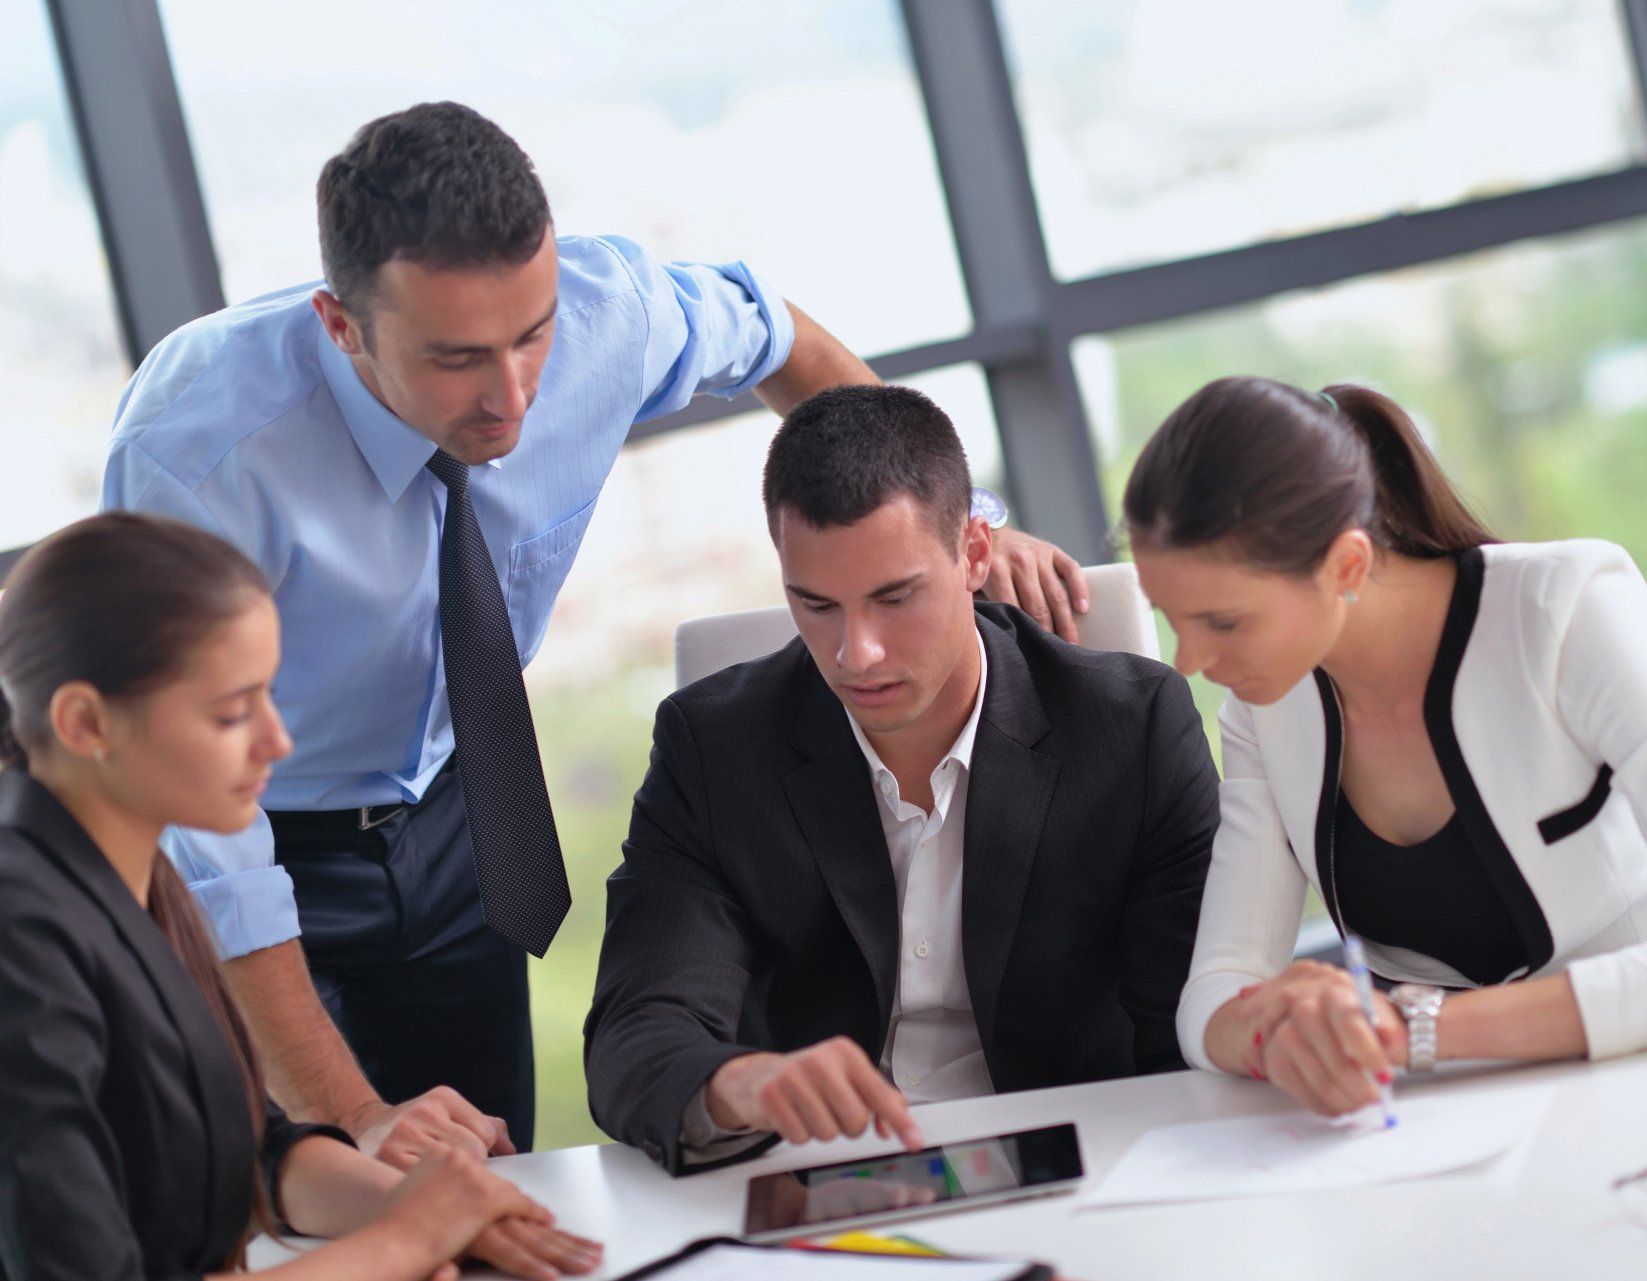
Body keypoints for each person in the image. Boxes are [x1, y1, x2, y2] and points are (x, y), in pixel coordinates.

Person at [101, 101, 1084, 1162]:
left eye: (532, 336)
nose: (512, 397)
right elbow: (205, 842)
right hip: (255, 824)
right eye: (456, 358)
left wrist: (966, 523)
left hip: (455, 814)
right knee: (308, 1192)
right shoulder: (201, 452)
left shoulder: (605, 311)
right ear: (341, 324)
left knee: (484, 1179)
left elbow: (778, 335)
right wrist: (357, 1111)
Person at [1121, 377, 1647, 1116]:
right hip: (1446, 1124)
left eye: (1223, 622)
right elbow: (1210, 997)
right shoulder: (1265, 710)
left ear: (1347, 565)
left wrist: (1412, 1029)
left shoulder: (1565, 609)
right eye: (1172, 618)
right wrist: (1271, 1026)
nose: (1188, 660)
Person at [584, 385, 1220, 1174]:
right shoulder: (715, 748)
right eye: (815, 604)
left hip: (1087, 1173)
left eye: (895, 597)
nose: (857, 653)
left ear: (975, 555)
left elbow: (1196, 1024)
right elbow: (635, 1034)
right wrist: (742, 1082)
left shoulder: (1131, 729)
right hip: (830, 1191)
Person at [0, 512, 601, 1281]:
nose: (278, 743)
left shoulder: (137, 876)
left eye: (270, 698)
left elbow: (247, 1139)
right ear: (85, 722)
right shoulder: (22, 938)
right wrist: (403, 1243)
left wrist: (419, 1206)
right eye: (231, 712)